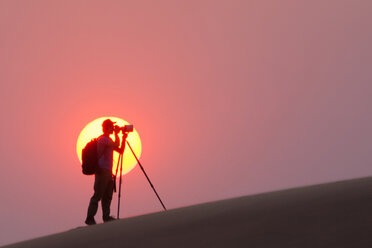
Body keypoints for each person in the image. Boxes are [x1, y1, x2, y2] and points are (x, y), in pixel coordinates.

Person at [85, 119, 127, 225]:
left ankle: (106, 217)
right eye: (111, 127)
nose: (113, 128)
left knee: (107, 196)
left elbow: (120, 150)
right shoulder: (103, 139)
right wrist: (117, 134)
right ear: (106, 127)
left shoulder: (108, 140)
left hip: (108, 172)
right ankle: (90, 218)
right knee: (98, 195)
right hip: (102, 171)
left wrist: (123, 138)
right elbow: (115, 144)